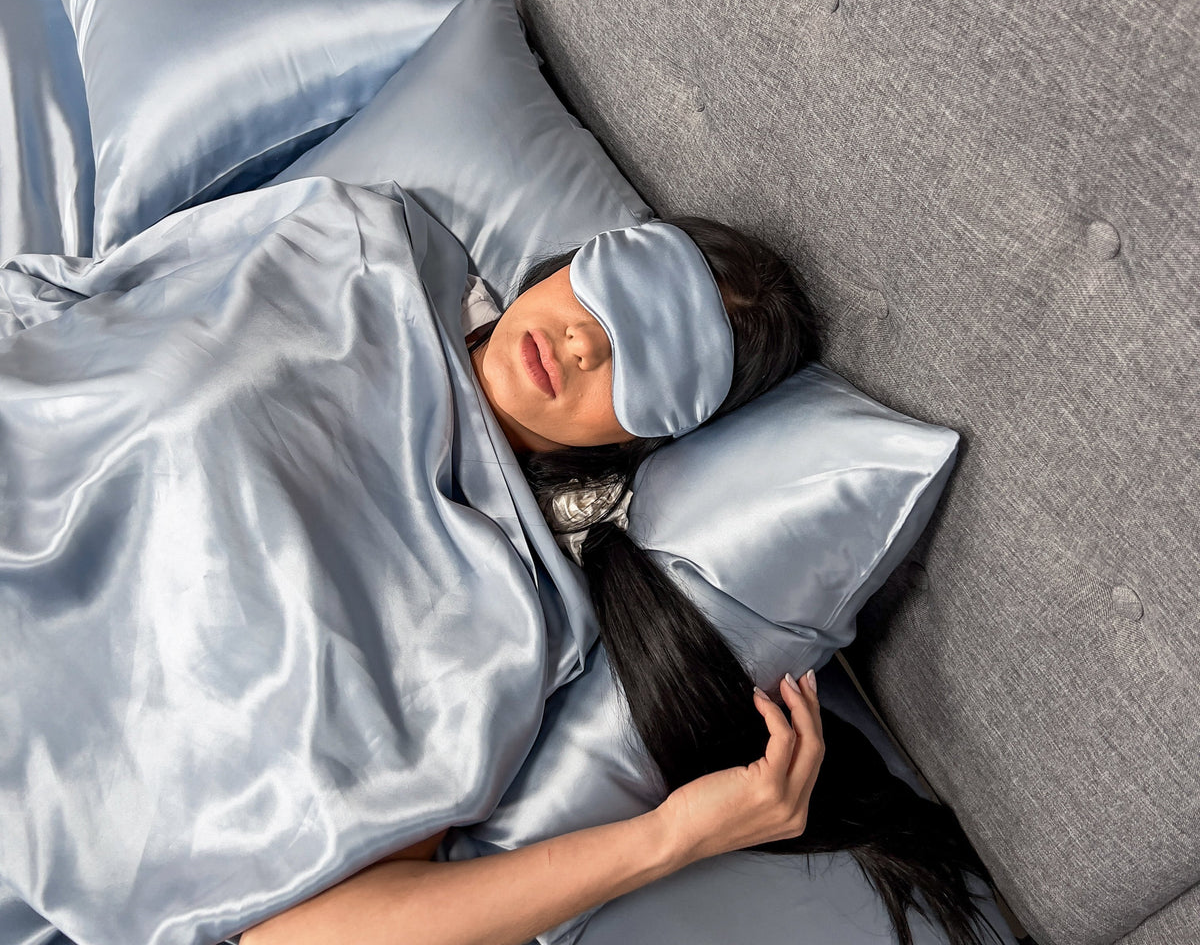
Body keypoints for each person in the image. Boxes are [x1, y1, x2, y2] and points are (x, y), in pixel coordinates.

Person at [241, 216, 1005, 945]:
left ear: (645, 440)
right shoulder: (360, 244)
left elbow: (301, 932)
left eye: (647, 360)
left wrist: (671, 836)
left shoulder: (502, 617)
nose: (584, 342)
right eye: (613, 288)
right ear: (572, 261)